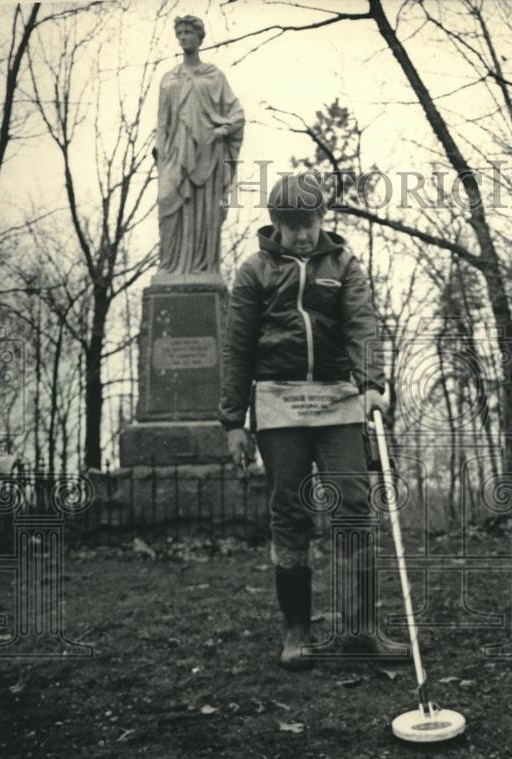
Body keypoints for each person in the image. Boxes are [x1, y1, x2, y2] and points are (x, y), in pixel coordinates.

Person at [219, 171, 408, 670]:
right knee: (291, 511)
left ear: (322, 219)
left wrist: (371, 383)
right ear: (276, 223)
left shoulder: (344, 264)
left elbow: (361, 323)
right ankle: (297, 630)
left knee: (353, 504)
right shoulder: (254, 271)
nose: (302, 233)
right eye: (291, 224)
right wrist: (233, 421)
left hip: (337, 397)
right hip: (278, 401)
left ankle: (362, 627)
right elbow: (237, 348)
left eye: (310, 222)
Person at [155, 15, 244, 276]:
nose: (183, 37)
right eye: (179, 32)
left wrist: (223, 129)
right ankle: (170, 267)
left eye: (188, 32)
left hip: (207, 156)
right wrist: (161, 152)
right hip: (174, 156)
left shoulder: (214, 76)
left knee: (206, 213)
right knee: (167, 204)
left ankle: (203, 268)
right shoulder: (169, 79)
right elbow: (162, 122)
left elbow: (237, 114)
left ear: (199, 37)